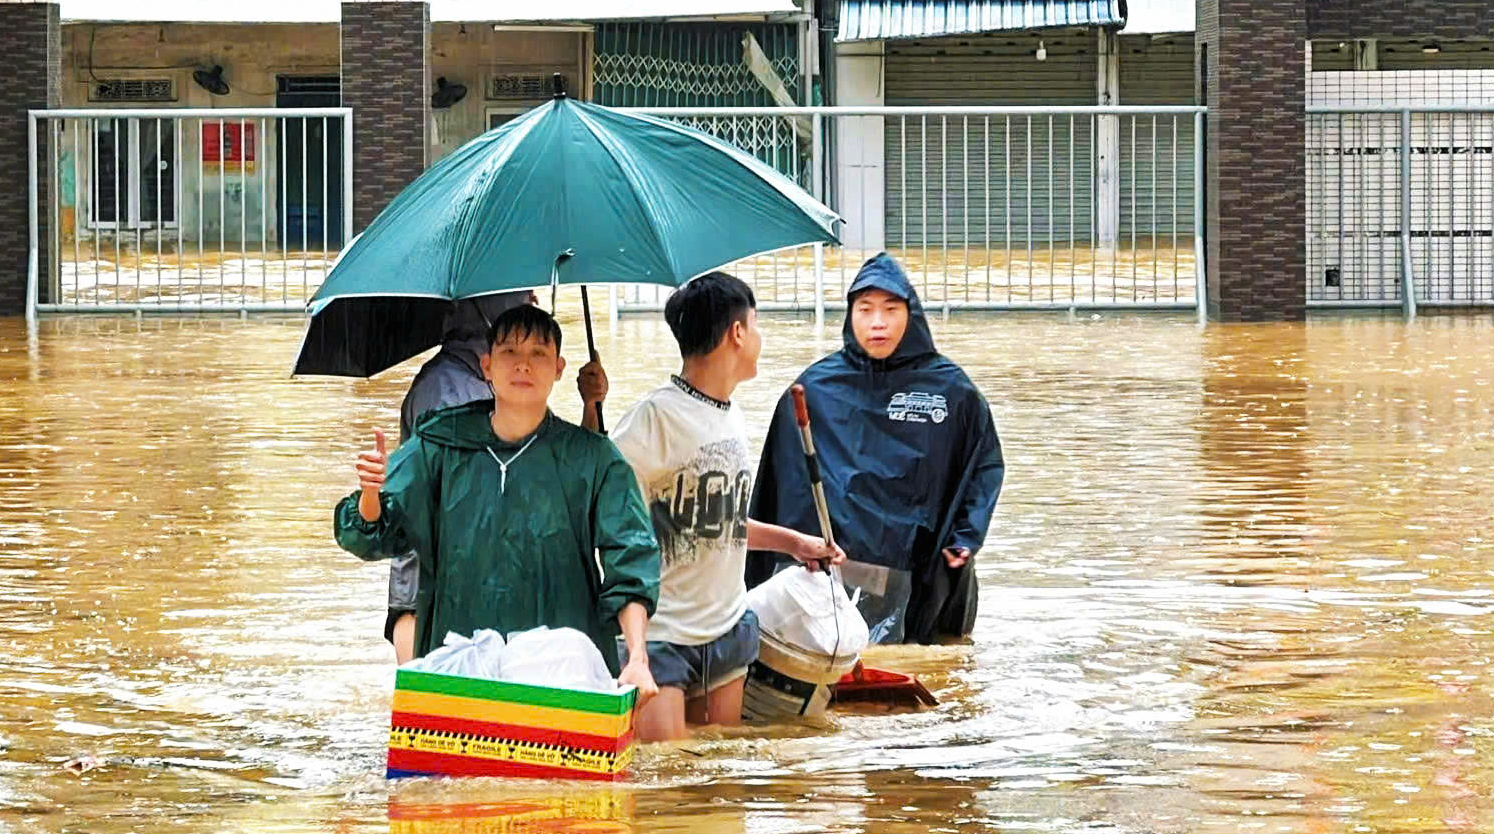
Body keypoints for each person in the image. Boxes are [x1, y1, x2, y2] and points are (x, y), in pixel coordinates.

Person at [336, 304, 660, 694]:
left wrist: (638, 659)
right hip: (458, 663)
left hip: (565, 675)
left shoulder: (593, 457)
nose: (523, 365)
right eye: (510, 352)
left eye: (538, 353)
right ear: (487, 365)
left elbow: (630, 557)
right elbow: (374, 534)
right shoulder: (439, 444)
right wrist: (371, 494)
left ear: (558, 368)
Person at [595, 272, 843, 742]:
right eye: (756, 323)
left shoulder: (732, 414)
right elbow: (604, 507)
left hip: (726, 629)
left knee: (718, 782)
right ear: (737, 332)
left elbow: (719, 522)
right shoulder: (653, 419)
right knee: (667, 785)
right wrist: (593, 410)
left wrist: (794, 543)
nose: (759, 337)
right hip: (662, 635)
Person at [748, 253, 1003, 645]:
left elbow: (983, 467)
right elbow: (781, 488)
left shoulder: (952, 393)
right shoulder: (813, 390)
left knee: (925, 674)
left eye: (890, 309)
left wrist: (966, 537)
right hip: (830, 572)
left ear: (911, 313)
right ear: (851, 315)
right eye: (865, 309)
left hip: (917, 574)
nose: (877, 322)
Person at [383, 291, 531, 664]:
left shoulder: (483, 379)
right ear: (488, 312)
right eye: (520, 297)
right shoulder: (445, 388)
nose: (532, 298)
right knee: (416, 608)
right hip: (434, 542)